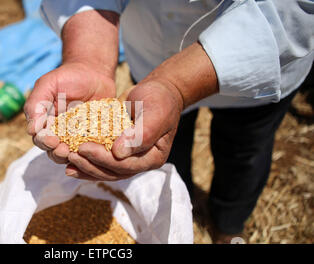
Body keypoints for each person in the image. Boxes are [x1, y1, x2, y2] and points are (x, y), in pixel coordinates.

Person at [23, 0, 314, 243]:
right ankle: (182, 202)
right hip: (151, 56)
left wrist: (176, 86)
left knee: (245, 154)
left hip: (256, 77)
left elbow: (292, 8)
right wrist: (89, 59)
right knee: (166, 152)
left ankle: (229, 223)